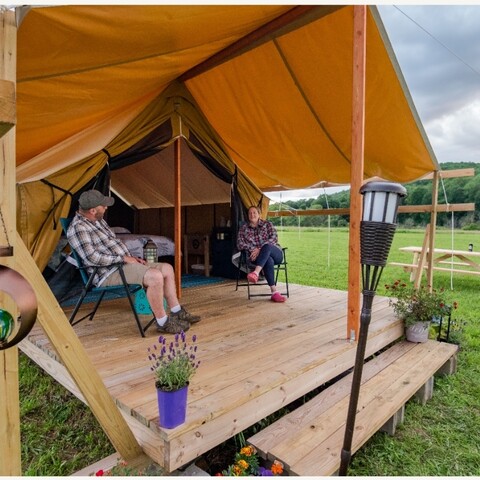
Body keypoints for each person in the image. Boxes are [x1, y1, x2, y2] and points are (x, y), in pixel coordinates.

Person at [67, 189, 200, 334]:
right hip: (108, 272)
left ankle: (177, 311)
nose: (106, 207)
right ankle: (162, 322)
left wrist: (131, 258)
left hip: (122, 265)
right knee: (155, 276)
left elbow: (114, 246)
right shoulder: (78, 228)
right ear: (92, 210)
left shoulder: (98, 221)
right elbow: (92, 258)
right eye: (103, 206)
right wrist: (123, 258)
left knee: (167, 268)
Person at [236, 205, 287, 302]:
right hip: (258, 258)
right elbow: (239, 244)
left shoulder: (267, 224)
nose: (252, 214)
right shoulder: (243, 229)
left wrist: (259, 249)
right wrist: (252, 249)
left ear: (259, 214)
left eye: (254, 212)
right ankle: (274, 292)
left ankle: (256, 272)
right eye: (250, 213)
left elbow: (274, 238)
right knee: (268, 260)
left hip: (275, 253)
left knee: (266, 247)